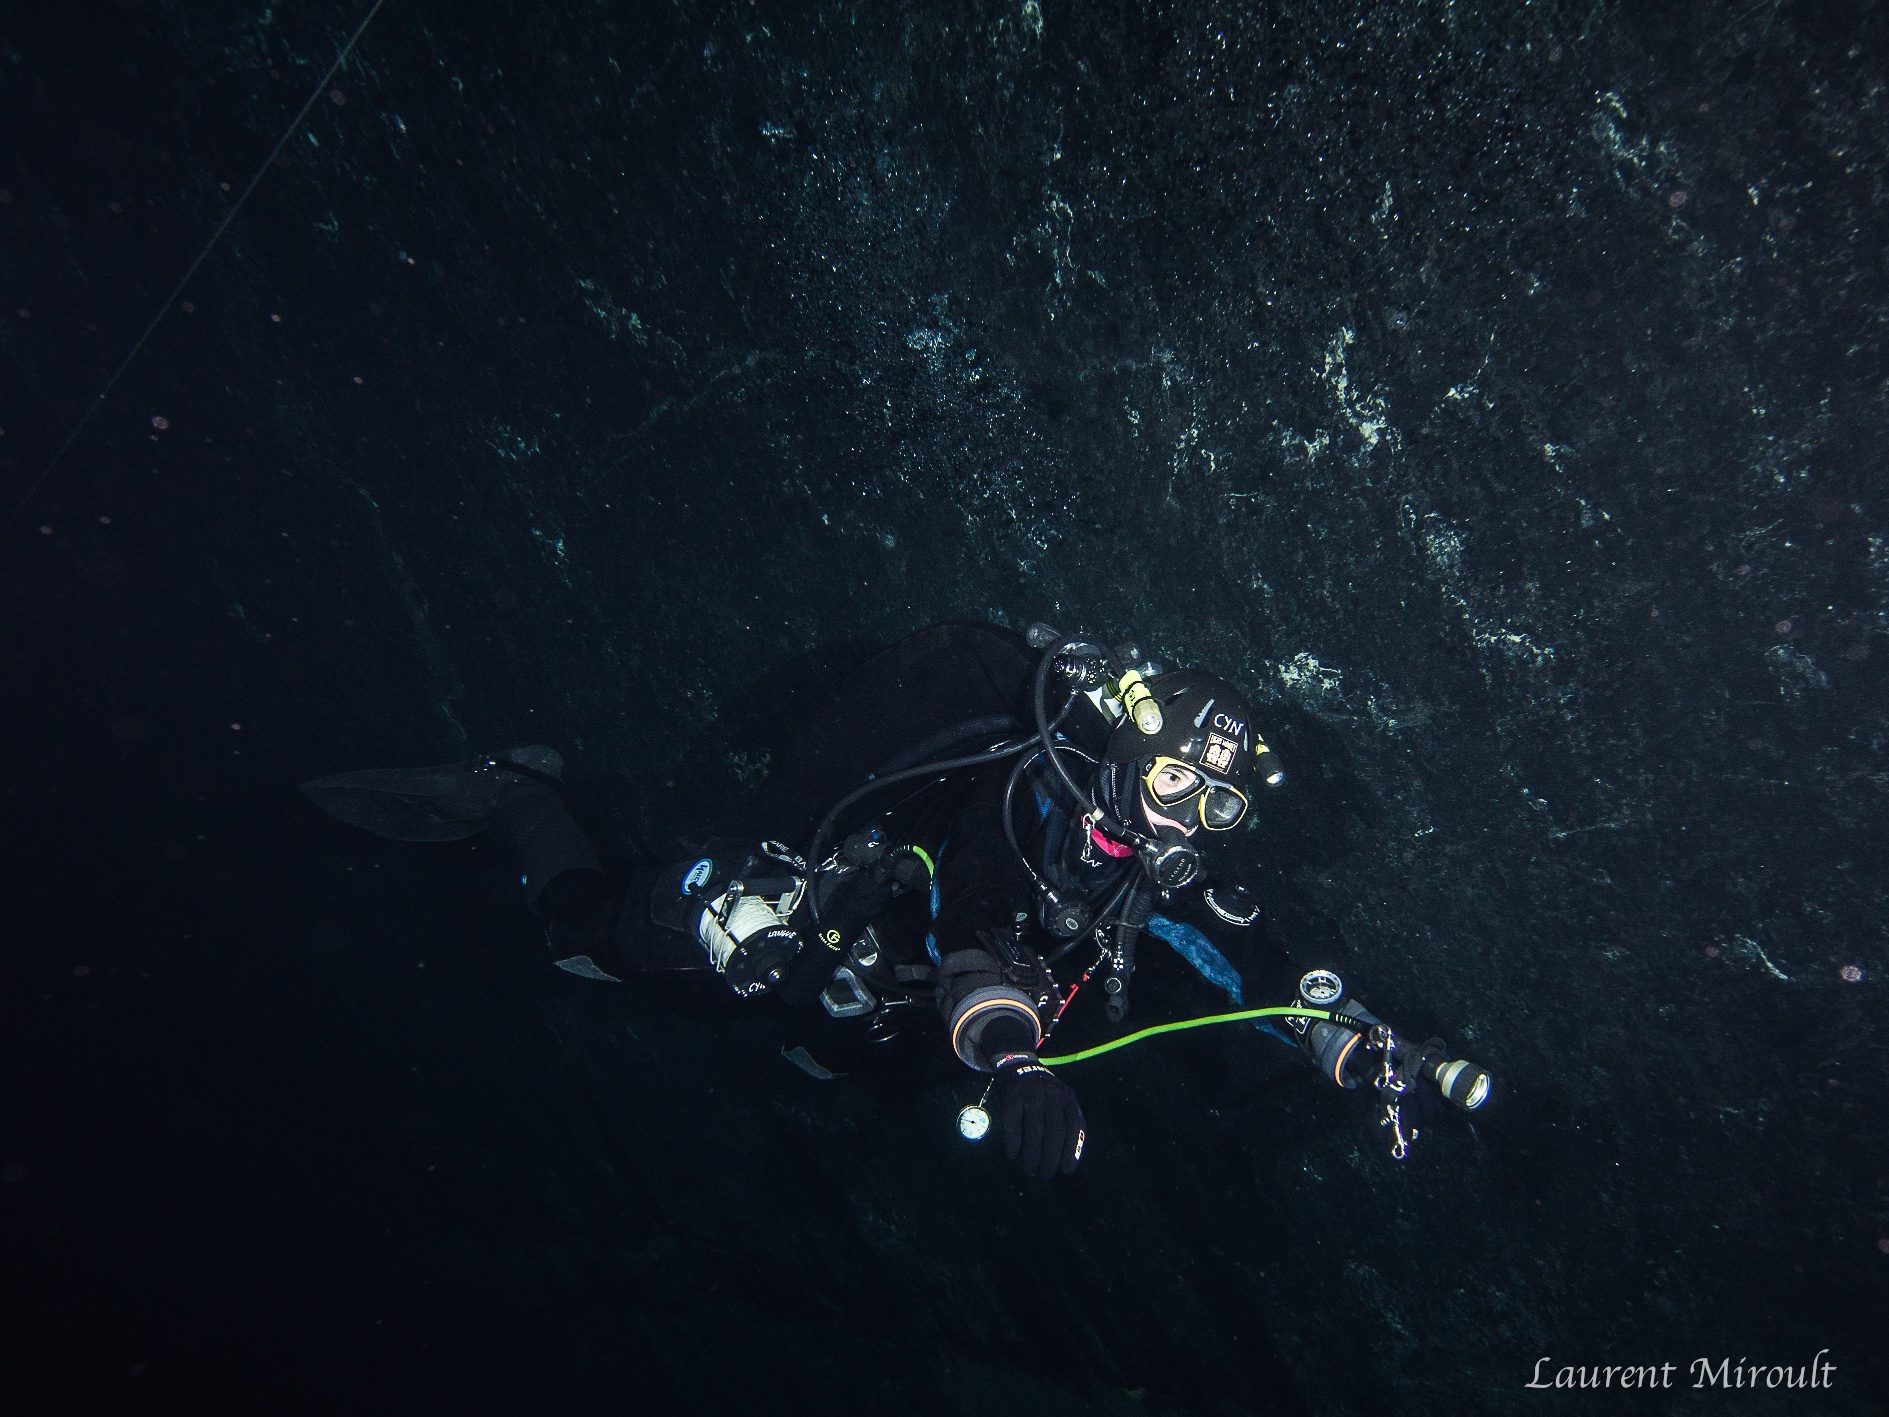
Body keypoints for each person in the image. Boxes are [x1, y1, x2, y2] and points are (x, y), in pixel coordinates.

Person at [302, 621, 1489, 1181]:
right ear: (1130, 749)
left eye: (1211, 806)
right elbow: (971, 910)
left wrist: (1348, 1042)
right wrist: (1015, 1056)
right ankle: (521, 796)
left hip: (893, 1009)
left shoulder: (1151, 862)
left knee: (850, 1062)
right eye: (1172, 781)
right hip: (835, 928)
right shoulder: (1029, 786)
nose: (1180, 820)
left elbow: (1253, 958)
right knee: (597, 942)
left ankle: (812, 1056)